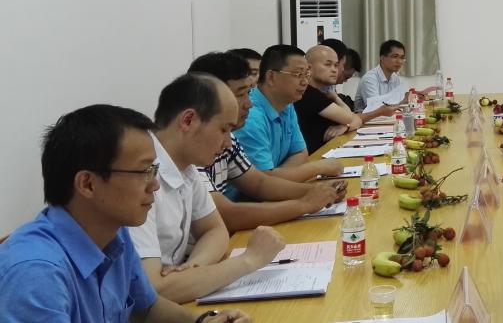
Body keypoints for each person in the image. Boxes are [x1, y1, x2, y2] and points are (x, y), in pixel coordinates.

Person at [0, 105, 250, 322]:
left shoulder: (114, 235)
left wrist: (202, 320)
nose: (155, 185)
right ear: (87, 184)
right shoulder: (37, 273)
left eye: (154, 170)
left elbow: (147, 309)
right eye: (144, 172)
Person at [128, 74, 286, 303]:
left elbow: (215, 230)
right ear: (188, 120)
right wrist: (249, 260)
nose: (228, 142)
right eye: (224, 129)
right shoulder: (139, 176)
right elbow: (153, 292)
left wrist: (194, 268)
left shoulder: (187, 166)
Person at [189, 52, 345, 231]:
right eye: (241, 94)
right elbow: (226, 216)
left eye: (249, 92)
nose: (249, 103)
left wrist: (319, 192)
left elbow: (260, 183)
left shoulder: (227, 137)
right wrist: (304, 204)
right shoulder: (192, 152)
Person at [233, 45, 344, 183]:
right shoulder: (250, 117)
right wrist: (318, 167)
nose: (305, 82)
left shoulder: (287, 104)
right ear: (271, 77)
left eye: (307, 74)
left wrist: (277, 176)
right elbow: (263, 182)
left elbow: (301, 154)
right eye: (298, 74)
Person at [295, 45, 364, 152]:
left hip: (328, 152)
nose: (334, 70)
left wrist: (345, 126)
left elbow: (357, 120)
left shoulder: (326, 93)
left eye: (336, 65)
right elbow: (350, 118)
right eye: (328, 64)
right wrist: (347, 124)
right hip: (313, 156)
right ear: (309, 68)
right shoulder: (308, 93)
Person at [355, 39, 437, 111]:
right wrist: (403, 101)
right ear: (382, 58)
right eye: (395, 56)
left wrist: (413, 96)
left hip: (386, 119)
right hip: (366, 121)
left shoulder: (395, 77)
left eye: (402, 58)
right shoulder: (369, 79)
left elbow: (398, 100)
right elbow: (375, 108)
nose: (399, 61)